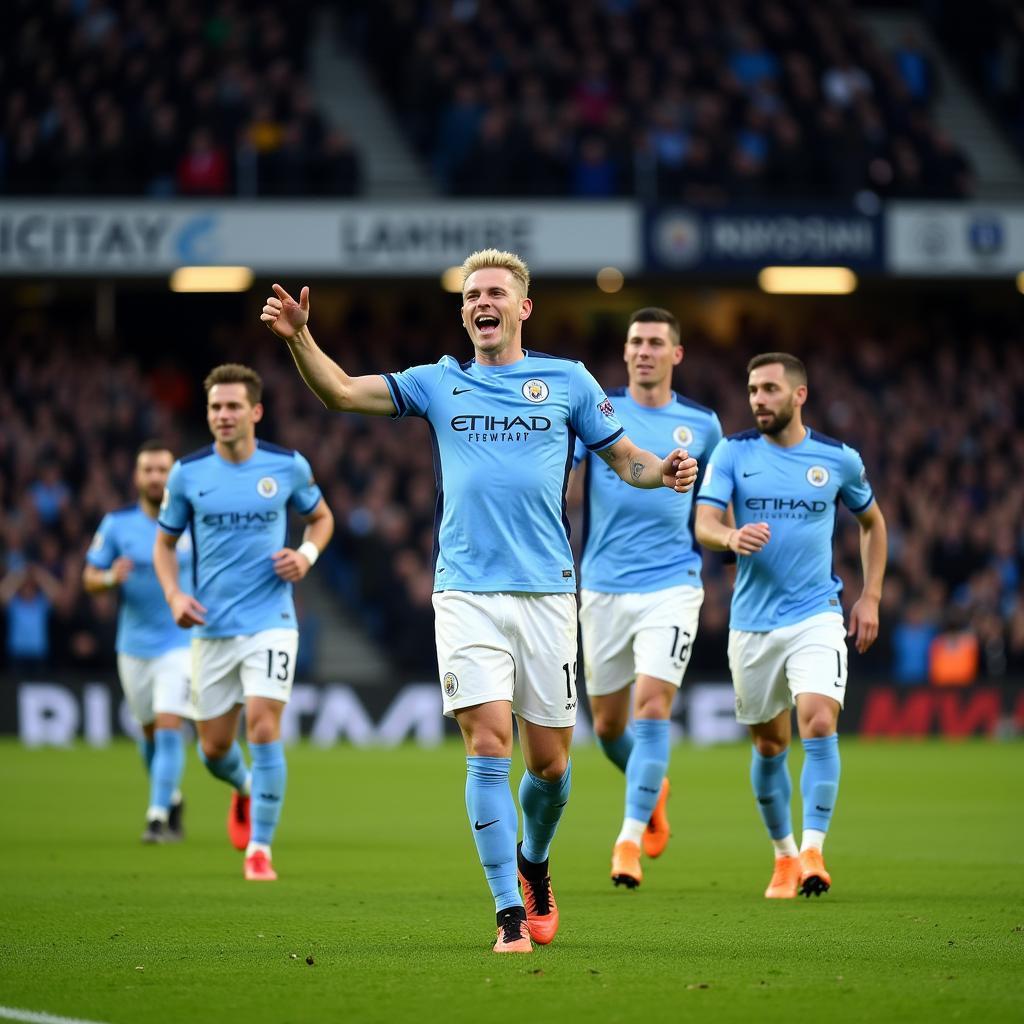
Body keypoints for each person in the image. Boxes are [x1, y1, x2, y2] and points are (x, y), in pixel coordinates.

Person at [260, 249, 698, 953]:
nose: (481, 302)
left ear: (523, 307)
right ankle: (507, 915)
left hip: (549, 595)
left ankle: (534, 864)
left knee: (550, 767)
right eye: (471, 295)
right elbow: (340, 391)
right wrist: (300, 338)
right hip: (465, 591)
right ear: (463, 312)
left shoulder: (567, 382)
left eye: (495, 292)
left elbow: (626, 460)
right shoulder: (438, 382)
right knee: (488, 742)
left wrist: (666, 471)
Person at [695, 352, 887, 899]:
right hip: (752, 624)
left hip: (816, 615)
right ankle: (782, 855)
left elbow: (873, 522)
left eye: (770, 389)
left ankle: (812, 851)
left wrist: (870, 596)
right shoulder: (733, 452)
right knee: (770, 744)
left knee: (819, 721)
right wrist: (730, 538)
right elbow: (706, 521)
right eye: (753, 389)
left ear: (799, 395)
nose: (758, 399)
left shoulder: (838, 460)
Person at [153, 364, 334, 882]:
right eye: (214, 407)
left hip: (272, 619)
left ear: (255, 411)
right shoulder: (188, 474)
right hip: (211, 627)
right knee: (212, 749)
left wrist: (306, 555)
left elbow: (322, 518)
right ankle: (246, 787)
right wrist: (173, 595)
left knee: (262, 724)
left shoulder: (288, 467)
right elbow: (163, 546)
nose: (223, 415)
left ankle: (260, 848)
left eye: (233, 406)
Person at [573, 307, 722, 889]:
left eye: (656, 342)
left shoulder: (702, 425)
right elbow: (564, 481)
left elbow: (715, 500)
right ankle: (650, 785)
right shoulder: (600, 413)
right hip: (603, 587)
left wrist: (729, 536)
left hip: (673, 585)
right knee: (608, 727)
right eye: (635, 341)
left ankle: (627, 840)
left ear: (675, 354)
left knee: (653, 707)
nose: (644, 351)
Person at [83, 441, 194, 843]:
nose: (155, 477)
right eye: (147, 469)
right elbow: (89, 578)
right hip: (133, 647)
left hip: (181, 643)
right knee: (149, 735)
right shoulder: (116, 525)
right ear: (136, 476)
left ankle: (157, 817)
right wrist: (111, 578)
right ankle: (172, 796)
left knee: (169, 725)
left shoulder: (192, 522)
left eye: (162, 470)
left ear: (172, 475)